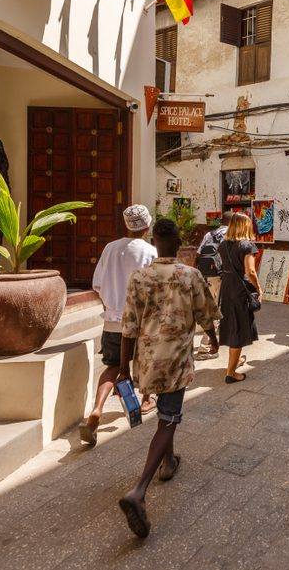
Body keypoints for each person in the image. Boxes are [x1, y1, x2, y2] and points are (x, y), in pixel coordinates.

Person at [116, 219, 220, 538]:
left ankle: (168, 463)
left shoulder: (139, 277)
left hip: (147, 359)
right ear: (176, 243)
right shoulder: (190, 276)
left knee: (165, 413)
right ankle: (139, 490)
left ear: (155, 241)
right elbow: (206, 316)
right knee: (168, 418)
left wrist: (123, 368)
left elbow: (128, 327)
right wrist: (214, 341)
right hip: (175, 361)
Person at [80, 205, 158, 446]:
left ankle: (97, 409)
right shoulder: (150, 251)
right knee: (147, 364)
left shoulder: (110, 248)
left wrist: (109, 306)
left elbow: (98, 283)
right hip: (142, 321)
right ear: (147, 226)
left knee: (112, 366)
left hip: (113, 319)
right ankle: (146, 401)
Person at [218, 214, 262, 383]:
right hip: (240, 288)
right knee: (239, 325)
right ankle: (231, 372)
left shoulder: (223, 244)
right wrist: (258, 288)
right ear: (245, 226)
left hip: (227, 285)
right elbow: (250, 271)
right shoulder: (247, 245)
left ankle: (236, 360)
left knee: (232, 322)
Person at [195, 211, 235, 359]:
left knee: (214, 308)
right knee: (217, 312)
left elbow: (198, 255)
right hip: (225, 277)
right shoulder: (232, 235)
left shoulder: (209, 235)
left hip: (210, 277)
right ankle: (204, 348)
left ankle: (225, 341)